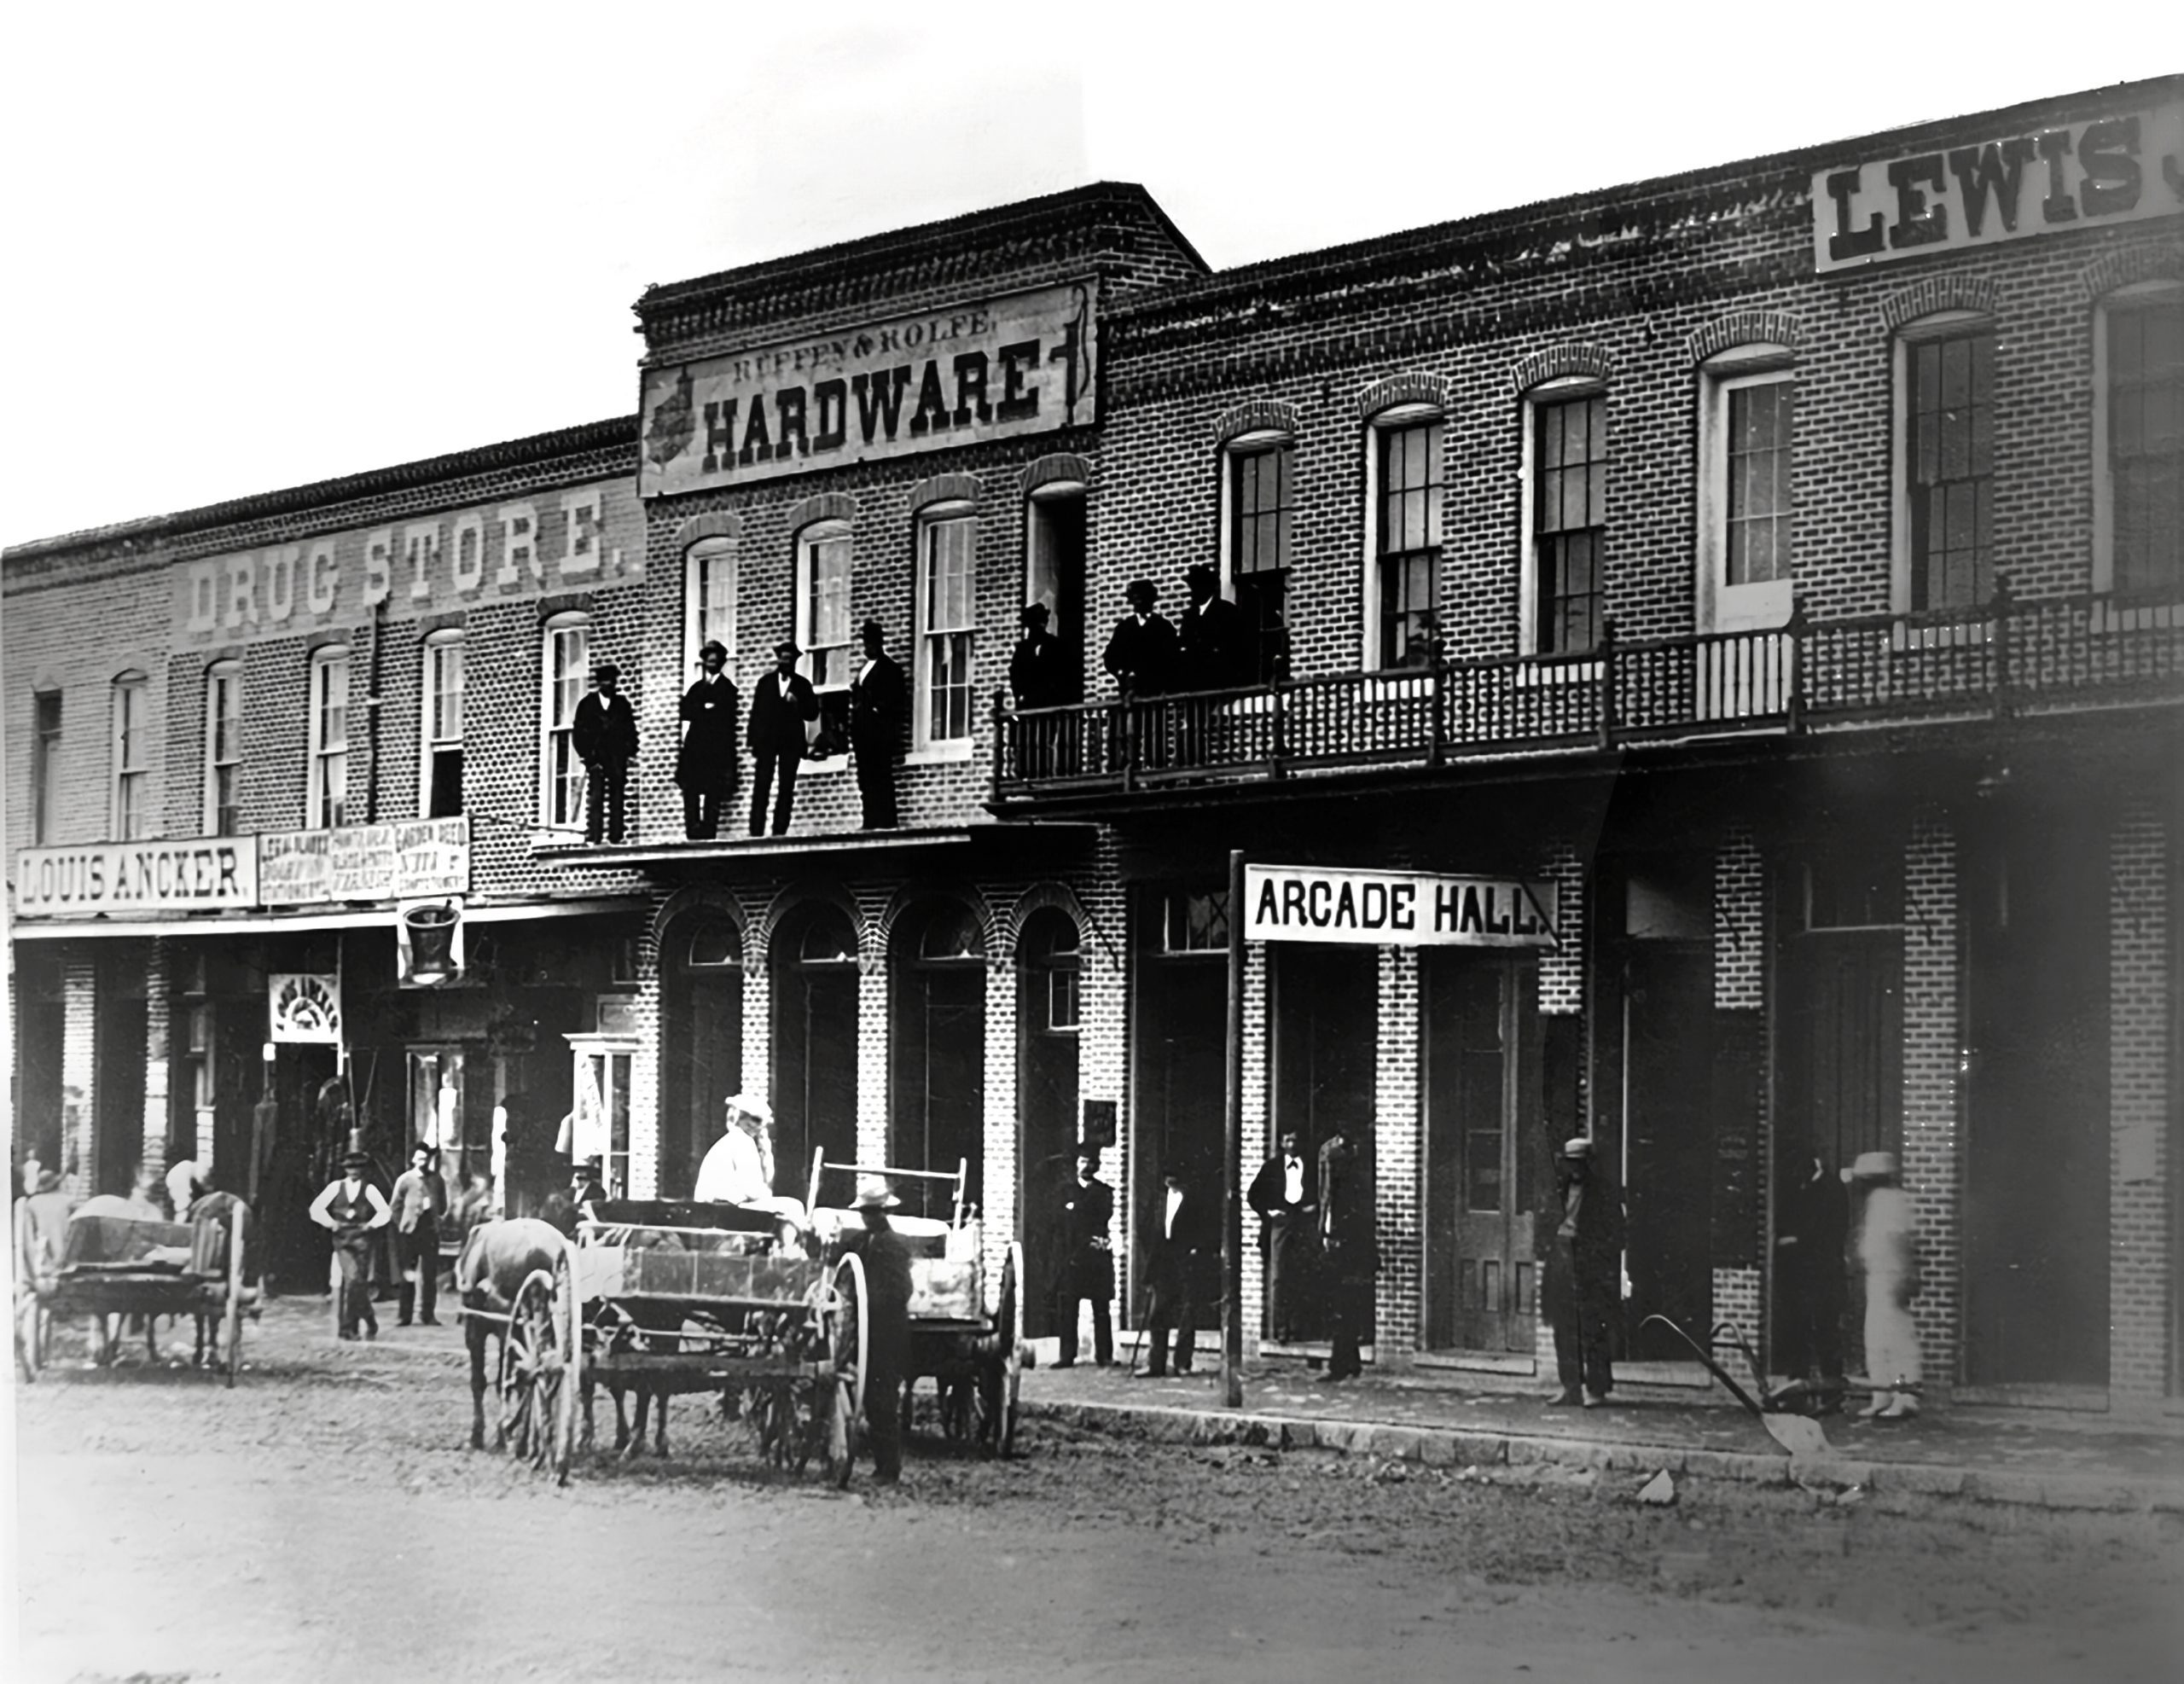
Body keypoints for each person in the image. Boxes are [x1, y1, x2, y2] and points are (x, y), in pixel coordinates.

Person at [831, 1175, 913, 1484]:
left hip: (886, 1336)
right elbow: (842, 1263)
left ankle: (888, 1468)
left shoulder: (894, 1248)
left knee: (882, 1401)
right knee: (868, 1399)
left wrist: (868, 1304)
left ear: (883, 1214)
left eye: (873, 1213)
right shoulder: (863, 1242)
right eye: (866, 1213)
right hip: (861, 1334)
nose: (869, 1218)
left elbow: (901, 1292)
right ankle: (879, 1462)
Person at [1547, 1135, 1622, 1408]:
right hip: (1563, 1264)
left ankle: (1597, 1389)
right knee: (1564, 1329)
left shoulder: (1603, 1192)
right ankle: (1571, 1387)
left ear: (1589, 1163)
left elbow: (1617, 1234)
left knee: (1593, 1329)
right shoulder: (1558, 1190)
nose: (1575, 1169)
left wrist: (1596, 1256)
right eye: (1571, 1164)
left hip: (1591, 1269)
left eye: (1580, 1163)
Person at [1850, 1151, 1922, 1420]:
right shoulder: (1875, 1201)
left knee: (1897, 1340)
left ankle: (1906, 1397)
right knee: (1876, 1340)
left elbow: (1903, 1241)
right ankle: (1881, 1395)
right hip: (1877, 1276)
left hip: (1892, 1276)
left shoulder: (1894, 1201)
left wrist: (1906, 1275)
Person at [1774, 1150, 1849, 1409]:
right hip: (1800, 1276)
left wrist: (1796, 1241)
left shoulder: (1832, 1190)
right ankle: (1798, 1394)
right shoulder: (1803, 1186)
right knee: (1799, 1331)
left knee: (1827, 1333)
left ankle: (1832, 1396)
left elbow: (1830, 1233)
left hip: (1824, 1274)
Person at [1136, 1164, 1214, 1379]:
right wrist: (1152, 1250)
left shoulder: (1194, 1201)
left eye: (1175, 1179)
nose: (1171, 1183)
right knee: (1158, 1313)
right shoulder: (1158, 1200)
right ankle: (1156, 1364)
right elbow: (1144, 1227)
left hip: (1186, 1261)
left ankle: (1182, 1363)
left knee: (1186, 1313)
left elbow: (1206, 1229)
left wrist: (1196, 1250)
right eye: (1167, 1179)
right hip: (1163, 1262)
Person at [309, 1150, 391, 1340]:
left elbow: (384, 1212)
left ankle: (360, 1324)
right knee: (353, 1280)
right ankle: (352, 1326)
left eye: (357, 1168)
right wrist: (330, 1223)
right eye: (350, 1168)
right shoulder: (335, 1187)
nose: (353, 1171)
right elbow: (316, 1208)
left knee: (357, 1283)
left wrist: (371, 1225)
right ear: (345, 1169)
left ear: (363, 1170)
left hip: (361, 1238)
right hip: (342, 1238)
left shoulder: (369, 1190)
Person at [693, 1093, 808, 1226]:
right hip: (725, 1209)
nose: (757, 1126)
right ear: (739, 1118)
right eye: (754, 1120)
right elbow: (753, 1190)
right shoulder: (742, 1141)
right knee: (794, 1206)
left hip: (718, 1209)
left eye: (760, 1122)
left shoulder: (732, 1140)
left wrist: (765, 1151)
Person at [1317, 1123, 1376, 1382]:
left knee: (1343, 1306)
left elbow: (1357, 1226)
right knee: (1342, 1308)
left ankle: (1339, 1365)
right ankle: (1349, 1362)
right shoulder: (1328, 1203)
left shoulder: (1349, 1198)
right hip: (1338, 1250)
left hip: (1348, 1254)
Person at [1102, 579, 1178, 771]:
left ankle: (1156, 772)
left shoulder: (1163, 627)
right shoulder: (1125, 628)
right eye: (1135, 600)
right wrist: (1122, 673)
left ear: (1151, 600)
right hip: (1131, 692)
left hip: (1154, 690)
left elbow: (1172, 658)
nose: (1139, 603)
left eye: (1143, 599)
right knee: (1130, 734)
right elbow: (1111, 657)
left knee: (1156, 734)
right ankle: (1131, 771)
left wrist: (1160, 679)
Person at [1248, 1129, 1316, 1344]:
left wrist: (1313, 1208)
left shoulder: (1311, 1167)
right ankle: (1281, 1329)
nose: (1291, 1144)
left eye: (1295, 1139)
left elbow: (1322, 1191)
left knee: (1302, 1274)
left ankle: (1299, 1329)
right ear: (1281, 1143)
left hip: (1304, 1225)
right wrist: (1269, 1212)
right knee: (1279, 1278)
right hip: (1280, 1224)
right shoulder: (1272, 1167)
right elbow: (1253, 1195)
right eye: (1287, 1140)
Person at [746, 639, 820, 837]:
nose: (786, 663)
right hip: (767, 742)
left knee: (786, 787)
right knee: (762, 785)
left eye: (790, 660)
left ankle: (779, 830)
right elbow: (756, 713)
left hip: (790, 743)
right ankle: (756, 830)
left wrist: (797, 703)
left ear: (795, 662)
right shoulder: (766, 683)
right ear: (778, 660)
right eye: (783, 659)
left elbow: (812, 713)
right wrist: (753, 741)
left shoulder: (802, 685)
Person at [1051, 1147, 1115, 1368]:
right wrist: (1076, 1210)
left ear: (1097, 1166)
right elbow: (1058, 1220)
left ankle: (1104, 1355)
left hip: (1096, 1258)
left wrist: (1075, 1208)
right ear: (1076, 1164)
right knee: (1068, 1308)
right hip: (1071, 1258)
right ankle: (1066, 1355)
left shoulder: (1104, 1192)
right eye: (1082, 1161)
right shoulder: (1063, 1190)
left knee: (1101, 1307)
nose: (1086, 1166)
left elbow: (1103, 1214)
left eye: (1091, 1162)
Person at [676, 640, 740, 840]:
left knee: (713, 791)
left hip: (716, 750)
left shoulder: (727, 689)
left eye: (715, 660)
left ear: (721, 663)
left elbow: (724, 716)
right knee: (691, 791)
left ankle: (708, 831)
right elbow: (685, 711)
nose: (711, 663)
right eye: (708, 660)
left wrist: (704, 710)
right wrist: (705, 709)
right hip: (695, 749)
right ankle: (692, 831)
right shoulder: (696, 689)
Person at [572, 662, 640, 844]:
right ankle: (595, 835)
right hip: (597, 758)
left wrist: (629, 750)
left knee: (617, 796)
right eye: (606, 681)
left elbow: (630, 730)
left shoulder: (622, 705)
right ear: (599, 683)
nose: (609, 685)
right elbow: (579, 732)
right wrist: (588, 756)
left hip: (617, 757)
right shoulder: (587, 705)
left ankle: (616, 835)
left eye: (612, 682)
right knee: (596, 797)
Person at [848, 618, 905, 830]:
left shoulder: (890, 669)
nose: (868, 647)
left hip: (879, 733)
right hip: (862, 733)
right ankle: (870, 819)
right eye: (866, 643)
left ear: (880, 644)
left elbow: (895, 701)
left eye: (872, 643)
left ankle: (887, 820)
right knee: (865, 778)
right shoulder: (863, 671)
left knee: (881, 776)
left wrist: (876, 711)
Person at [389, 1142, 449, 1327]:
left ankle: (428, 1315)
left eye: (426, 1158)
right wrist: (403, 1224)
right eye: (419, 1157)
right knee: (408, 1274)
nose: (423, 1161)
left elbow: (443, 1205)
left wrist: (436, 1218)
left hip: (430, 1232)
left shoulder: (436, 1180)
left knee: (429, 1276)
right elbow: (395, 1206)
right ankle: (404, 1315)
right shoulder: (405, 1180)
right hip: (410, 1234)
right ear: (413, 1159)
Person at [1176, 563, 1246, 692]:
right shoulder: (1189, 617)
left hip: (1218, 682)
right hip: (1193, 684)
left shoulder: (1226, 611)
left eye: (1197, 586)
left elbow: (1233, 647)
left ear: (1209, 587)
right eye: (1192, 586)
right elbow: (1185, 643)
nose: (1193, 591)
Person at [1008, 601, 1070, 708]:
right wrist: (1020, 696)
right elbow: (1015, 675)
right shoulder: (1022, 650)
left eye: (1042, 622)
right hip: (1028, 706)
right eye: (1036, 622)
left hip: (1050, 705)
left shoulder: (1055, 646)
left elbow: (1062, 674)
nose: (1040, 626)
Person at [165, 1155, 208, 1220]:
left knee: (183, 1205)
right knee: (183, 1205)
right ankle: (180, 1226)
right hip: (177, 1182)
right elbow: (201, 1178)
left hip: (174, 1181)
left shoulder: (187, 1166)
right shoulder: (187, 1169)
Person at [570, 1158, 610, 1224]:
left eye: (581, 1171)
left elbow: (597, 1210)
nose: (577, 1174)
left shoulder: (597, 1190)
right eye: (576, 1171)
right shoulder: (571, 1191)